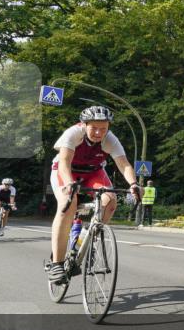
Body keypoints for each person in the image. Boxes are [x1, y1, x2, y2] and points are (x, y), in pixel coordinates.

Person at [46, 106, 142, 283]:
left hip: (93, 172)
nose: (99, 132)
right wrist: (69, 183)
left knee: (110, 200)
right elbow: (64, 162)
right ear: (84, 125)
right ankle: (56, 264)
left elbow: (124, 165)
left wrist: (133, 184)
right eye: (94, 128)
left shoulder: (110, 140)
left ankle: (86, 239)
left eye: (103, 128)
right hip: (66, 171)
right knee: (69, 203)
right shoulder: (73, 133)